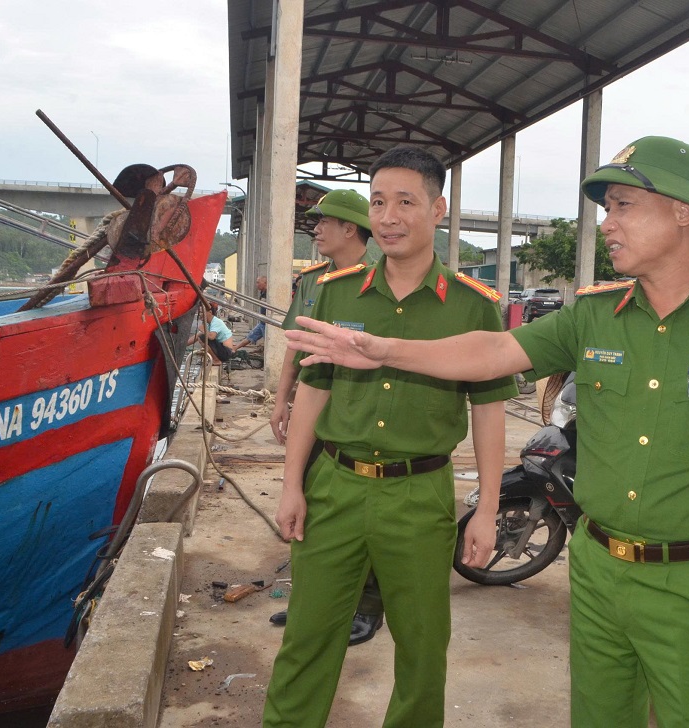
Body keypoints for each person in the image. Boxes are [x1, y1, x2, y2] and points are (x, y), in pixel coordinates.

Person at [287, 135, 689, 728]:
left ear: (683, 212)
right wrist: (385, 349)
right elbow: (493, 351)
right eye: (607, 208)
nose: (607, 223)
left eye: (623, 205)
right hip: (597, 570)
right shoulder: (593, 314)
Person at [261, 145, 517, 728]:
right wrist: (291, 485)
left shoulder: (475, 309)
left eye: (406, 201)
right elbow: (314, 392)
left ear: (439, 208)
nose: (389, 216)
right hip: (336, 487)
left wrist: (487, 510)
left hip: (419, 495)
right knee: (308, 636)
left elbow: (491, 411)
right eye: (378, 202)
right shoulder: (338, 291)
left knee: (422, 647)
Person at [263, 188, 384, 646]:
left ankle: (368, 607)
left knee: (365, 512)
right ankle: (310, 604)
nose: (315, 230)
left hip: (358, 418)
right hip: (314, 414)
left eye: (323, 222)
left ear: (350, 229)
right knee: (306, 504)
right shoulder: (313, 281)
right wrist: (281, 401)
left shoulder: (380, 280)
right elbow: (296, 345)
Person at [234, 275, 267, 351]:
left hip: (267, 323)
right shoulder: (262, 292)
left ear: (265, 283)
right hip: (262, 322)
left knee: (268, 342)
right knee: (251, 336)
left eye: (258, 282)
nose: (257, 285)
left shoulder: (269, 293)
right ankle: (235, 348)